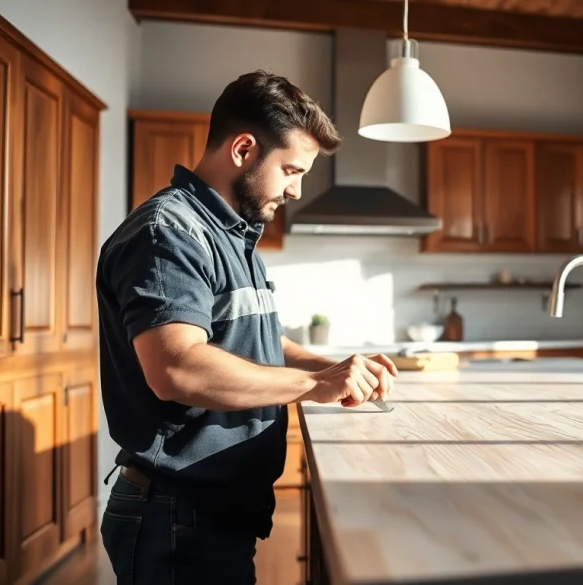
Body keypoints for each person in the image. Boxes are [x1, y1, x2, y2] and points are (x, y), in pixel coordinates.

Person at [95, 70, 398, 584]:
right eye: (291, 170)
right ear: (242, 150)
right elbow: (179, 368)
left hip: (208, 513)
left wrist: (339, 368)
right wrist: (315, 385)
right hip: (175, 515)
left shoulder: (233, 234)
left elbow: (255, 343)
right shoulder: (169, 232)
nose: (297, 189)